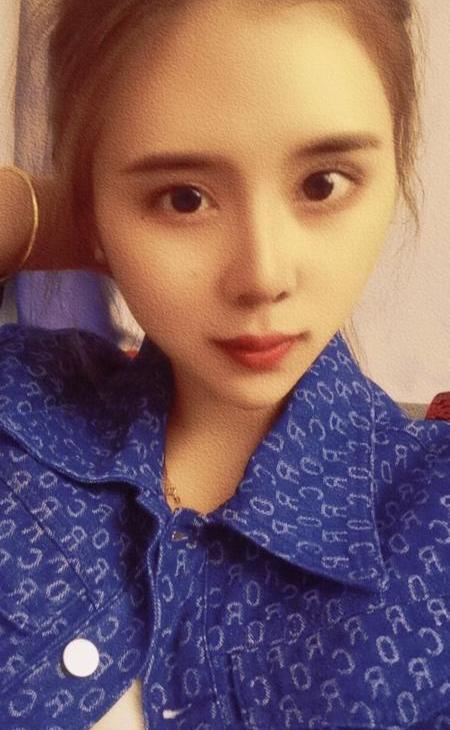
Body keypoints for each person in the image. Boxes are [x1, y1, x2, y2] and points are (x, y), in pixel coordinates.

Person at [0, 0, 448, 728]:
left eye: (323, 184)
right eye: (183, 198)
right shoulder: (19, 409)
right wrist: (60, 215)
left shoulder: (435, 524)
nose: (263, 276)